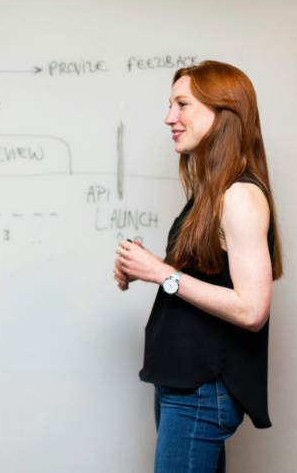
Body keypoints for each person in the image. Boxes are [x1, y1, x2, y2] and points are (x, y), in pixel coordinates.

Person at [113, 61, 282, 472]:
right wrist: (144, 267)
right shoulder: (213, 192)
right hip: (185, 385)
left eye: (182, 104)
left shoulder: (239, 196)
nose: (170, 118)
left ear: (223, 112)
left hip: (202, 390)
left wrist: (160, 272)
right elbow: (202, 278)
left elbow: (252, 310)